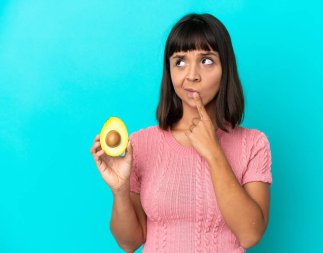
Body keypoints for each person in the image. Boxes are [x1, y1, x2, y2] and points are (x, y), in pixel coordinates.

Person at [90, 13, 272, 253]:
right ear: (170, 71)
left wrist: (213, 152)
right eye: (180, 62)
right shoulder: (141, 143)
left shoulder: (253, 143)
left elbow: (250, 234)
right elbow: (129, 242)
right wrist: (120, 191)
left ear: (225, 68)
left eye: (206, 61)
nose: (192, 75)